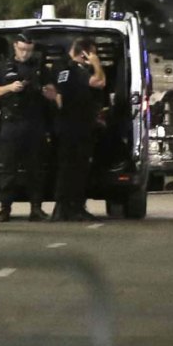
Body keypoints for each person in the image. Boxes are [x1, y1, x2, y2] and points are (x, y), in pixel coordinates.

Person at [0, 33, 51, 222]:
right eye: (22, 49)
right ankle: (5, 209)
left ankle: (36, 208)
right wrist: (9, 88)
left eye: (29, 50)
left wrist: (45, 91)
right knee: (9, 170)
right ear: (15, 46)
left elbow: (53, 93)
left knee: (35, 170)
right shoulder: (3, 67)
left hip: (34, 124)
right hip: (11, 124)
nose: (25, 54)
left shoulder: (40, 68)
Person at [51, 37, 106, 222]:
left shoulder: (59, 67)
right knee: (79, 169)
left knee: (65, 168)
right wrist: (97, 64)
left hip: (64, 125)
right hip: (79, 126)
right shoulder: (78, 70)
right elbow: (100, 82)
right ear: (84, 53)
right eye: (92, 53)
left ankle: (62, 208)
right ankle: (74, 207)